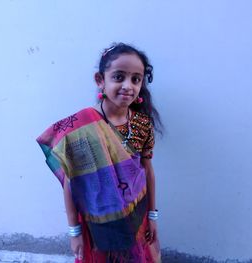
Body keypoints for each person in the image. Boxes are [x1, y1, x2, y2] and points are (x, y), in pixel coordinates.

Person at [37, 43, 162, 263]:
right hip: (98, 223)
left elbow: (148, 171)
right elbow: (71, 182)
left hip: (138, 218)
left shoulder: (143, 123)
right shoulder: (81, 129)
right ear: (100, 80)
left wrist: (153, 216)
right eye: (119, 77)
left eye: (136, 79)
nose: (128, 86)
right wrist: (74, 232)